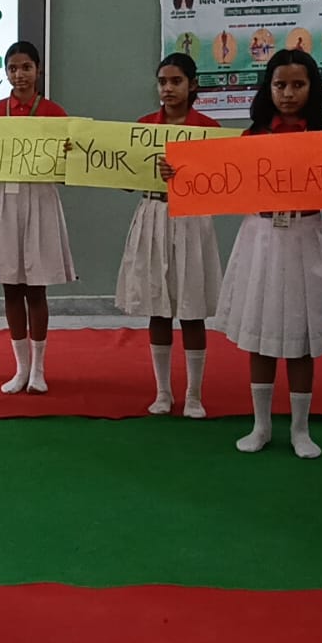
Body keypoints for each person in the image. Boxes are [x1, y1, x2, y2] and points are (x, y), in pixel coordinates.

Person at [204, 50, 322, 458]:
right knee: (261, 332)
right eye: (280, 85)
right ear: (267, 88)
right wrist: (181, 174)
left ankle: (301, 429)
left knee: (302, 336)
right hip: (261, 236)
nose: (288, 94)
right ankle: (261, 425)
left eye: (298, 85)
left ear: (313, 88)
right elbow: (222, 187)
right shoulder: (252, 138)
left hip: (304, 237)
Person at [116, 53, 223, 416]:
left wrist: (188, 173)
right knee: (157, 307)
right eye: (162, 82)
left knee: (192, 309)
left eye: (176, 81)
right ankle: (163, 392)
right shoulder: (145, 127)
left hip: (191, 218)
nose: (168, 88)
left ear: (192, 85)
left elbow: (221, 183)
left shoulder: (208, 129)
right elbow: (125, 181)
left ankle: (194, 394)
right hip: (153, 213)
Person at [0, 41, 76, 394]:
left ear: (38, 70)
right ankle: (21, 368)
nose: (20, 75)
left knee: (37, 287)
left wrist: (68, 154)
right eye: (13, 68)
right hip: (4, 198)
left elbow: (69, 165)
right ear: (6, 72)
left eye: (26, 67)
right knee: (10, 286)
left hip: (40, 199)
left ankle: (39, 370)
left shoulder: (54, 113)